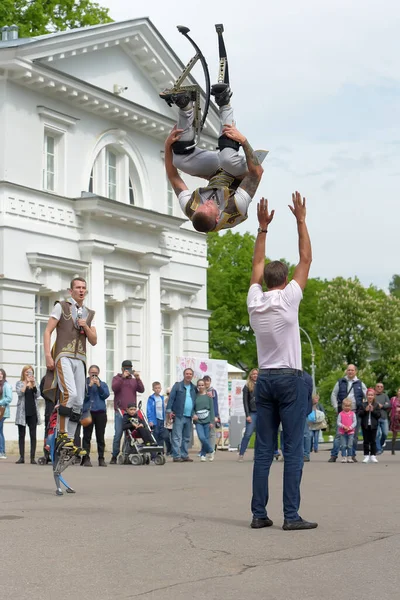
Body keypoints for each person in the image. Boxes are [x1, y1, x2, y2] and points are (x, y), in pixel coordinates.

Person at [247, 193, 317, 531]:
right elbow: (306, 257)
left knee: (263, 451)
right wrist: (300, 220)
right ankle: (291, 516)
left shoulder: (255, 301)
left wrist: (262, 229)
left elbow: (255, 267)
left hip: (265, 379)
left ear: (266, 282)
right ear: (286, 279)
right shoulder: (289, 298)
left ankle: (259, 514)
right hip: (290, 380)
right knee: (292, 450)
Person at [163, 85, 265, 233]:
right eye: (209, 206)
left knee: (178, 161)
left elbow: (174, 178)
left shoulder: (191, 207)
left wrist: (167, 146)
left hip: (215, 172)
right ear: (218, 217)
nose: (207, 202)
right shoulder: (235, 208)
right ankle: (224, 103)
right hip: (240, 172)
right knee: (227, 160)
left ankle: (185, 106)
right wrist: (243, 140)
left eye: (202, 205)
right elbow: (257, 172)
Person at [43, 277, 97, 456]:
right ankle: (62, 433)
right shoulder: (62, 306)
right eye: (78, 287)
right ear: (71, 290)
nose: (81, 290)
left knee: (79, 400)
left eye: (84, 288)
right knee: (70, 393)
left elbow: (94, 340)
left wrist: (86, 327)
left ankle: (70, 439)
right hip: (63, 355)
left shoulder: (89, 313)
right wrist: (48, 355)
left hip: (80, 358)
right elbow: (48, 330)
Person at [328, 365, 367, 462]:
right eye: (348, 370)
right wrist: (336, 407)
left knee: (354, 435)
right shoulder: (341, 382)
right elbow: (333, 394)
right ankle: (334, 455)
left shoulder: (360, 383)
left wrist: (363, 406)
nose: (350, 372)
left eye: (352, 370)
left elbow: (367, 395)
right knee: (338, 435)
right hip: (342, 413)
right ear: (346, 371)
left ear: (356, 371)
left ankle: (352, 455)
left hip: (355, 412)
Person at [110, 360, 145, 464]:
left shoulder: (134, 380)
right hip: (120, 410)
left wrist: (138, 378)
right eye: (126, 368)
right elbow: (114, 388)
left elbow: (141, 389)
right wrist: (122, 378)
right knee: (118, 434)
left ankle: (128, 453)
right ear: (122, 369)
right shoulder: (117, 378)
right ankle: (114, 455)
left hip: (132, 411)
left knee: (130, 434)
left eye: (129, 368)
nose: (128, 370)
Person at [81, 365, 110, 467]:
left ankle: (101, 458)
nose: (94, 375)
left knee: (100, 437)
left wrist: (99, 386)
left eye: (96, 373)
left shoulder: (102, 384)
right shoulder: (84, 383)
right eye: (92, 373)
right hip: (88, 412)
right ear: (89, 373)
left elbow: (106, 395)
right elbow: (82, 396)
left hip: (100, 412)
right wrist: (89, 386)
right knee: (86, 437)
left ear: (98, 373)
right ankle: (86, 458)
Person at [166, 368, 197, 463]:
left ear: (192, 376)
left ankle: (184, 455)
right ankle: (176, 456)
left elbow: (197, 399)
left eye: (190, 374)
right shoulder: (178, 385)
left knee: (186, 437)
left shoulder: (194, 387)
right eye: (187, 373)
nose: (188, 375)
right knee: (177, 436)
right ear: (184, 375)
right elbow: (171, 398)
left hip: (189, 416)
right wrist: (169, 410)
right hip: (179, 415)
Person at [15, 365, 41, 464]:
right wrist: (25, 383)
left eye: (30, 372)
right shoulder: (19, 383)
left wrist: (33, 384)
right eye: (27, 372)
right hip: (22, 412)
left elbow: (38, 395)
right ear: (23, 372)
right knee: (21, 435)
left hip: (32, 412)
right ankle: (21, 457)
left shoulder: (35, 383)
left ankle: (32, 458)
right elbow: (20, 393)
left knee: (33, 435)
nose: (28, 374)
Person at [238, 369, 258, 462]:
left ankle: (257, 455)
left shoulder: (262, 385)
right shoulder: (247, 386)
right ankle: (241, 454)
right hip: (252, 413)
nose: (255, 375)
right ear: (250, 375)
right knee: (248, 434)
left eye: (256, 374)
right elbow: (245, 401)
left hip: (261, 413)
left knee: (260, 435)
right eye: (253, 374)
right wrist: (247, 415)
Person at [193, 378, 215, 462]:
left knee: (206, 437)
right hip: (198, 420)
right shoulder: (195, 396)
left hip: (207, 420)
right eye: (199, 385)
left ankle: (203, 454)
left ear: (205, 386)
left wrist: (212, 421)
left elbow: (212, 409)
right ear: (197, 386)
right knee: (201, 437)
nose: (201, 386)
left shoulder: (209, 396)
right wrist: (193, 414)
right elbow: (193, 408)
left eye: (202, 385)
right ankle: (211, 450)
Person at [359, 388, 381, 463]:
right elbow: (360, 414)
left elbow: (378, 415)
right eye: (369, 395)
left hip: (373, 426)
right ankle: (366, 456)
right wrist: (365, 410)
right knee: (366, 441)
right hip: (365, 425)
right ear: (366, 396)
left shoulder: (376, 405)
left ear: (374, 396)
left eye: (371, 395)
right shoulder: (363, 404)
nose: (370, 396)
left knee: (373, 441)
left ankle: (373, 455)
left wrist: (373, 410)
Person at [336, 398, 357, 463]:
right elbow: (338, 422)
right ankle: (344, 457)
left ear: (351, 406)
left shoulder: (352, 414)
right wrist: (343, 426)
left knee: (350, 444)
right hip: (343, 432)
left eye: (348, 406)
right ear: (343, 406)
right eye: (345, 406)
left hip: (351, 432)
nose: (347, 407)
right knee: (343, 445)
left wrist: (350, 427)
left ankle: (350, 457)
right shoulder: (341, 414)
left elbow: (355, 422)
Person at [203, 375, 220, 452]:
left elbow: (215, 404)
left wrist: (216, 415)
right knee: (203, 433)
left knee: (212, 432)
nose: (206, 382)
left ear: (210, 382)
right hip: (202, 414)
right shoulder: (201, 391)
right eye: (205, 381)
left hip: (211, 414)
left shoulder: (213, 391)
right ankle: (204, 449)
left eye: (207, 381)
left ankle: (212, 449)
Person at [147, 382, 166, 448]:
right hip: (155, 420)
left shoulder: (162, 398)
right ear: (153, 389)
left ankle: (160, 451)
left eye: (159, 388)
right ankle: (154, 452)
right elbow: (149, 410)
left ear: (161, 389)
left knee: (162, 436)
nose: (157, 389)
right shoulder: (151, 398)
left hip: (162, 420)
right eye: (156, 388)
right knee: (155, 435)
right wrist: (150, 420)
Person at [374, 382, 391, 455]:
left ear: (383, 388)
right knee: (377, 434)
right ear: (375, 387)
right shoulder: (373, 395)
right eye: (378, 386)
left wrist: (382, 406)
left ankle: (379, 446)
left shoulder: (385, 396)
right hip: (375, 418)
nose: (379, 388)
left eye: (381, 387)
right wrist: (378, 406)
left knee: (385, 433)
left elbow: (389, 405)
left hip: (384, 417)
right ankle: (379, 449)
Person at [0, 369, 13, 459]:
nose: (0, 375)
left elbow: (9, 398)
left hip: (2, 410)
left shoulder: (6, 385)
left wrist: (0, 402)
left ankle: (2, 452)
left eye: (1, 374)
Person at [389, 388, 400, 455]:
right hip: (395, 419)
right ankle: (392, 448)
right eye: (399, 391)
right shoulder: (393, 399)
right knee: (394, 435)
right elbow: (389, 407)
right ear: (397, 392)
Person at [164, 388, 173, 456]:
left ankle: (172, 451)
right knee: (166, 437)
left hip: (174, 421)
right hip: (166, 422)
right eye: (168, 394)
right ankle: (169, 449)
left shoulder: (176, 400)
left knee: (173, 438)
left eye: (171, 393)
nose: (169, 395)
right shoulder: (165, 401)